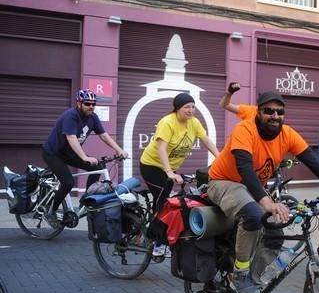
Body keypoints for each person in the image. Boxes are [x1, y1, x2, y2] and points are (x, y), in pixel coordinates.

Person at [207, 91, 319, 293]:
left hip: (251, 186)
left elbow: (313, 162)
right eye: (268, 111)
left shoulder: (287, 134)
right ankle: (240, 274)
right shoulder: (244, 129)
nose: (275, 116)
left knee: (276, 232)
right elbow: (245, 168)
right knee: (254, 214)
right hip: (224, 181)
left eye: (280, 112)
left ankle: (254, 283)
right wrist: (266, 201)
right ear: (258, 112)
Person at [139, 93, 220, 257]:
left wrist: (221, 159)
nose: (191, 110)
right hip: (152, 165)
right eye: (187, 107)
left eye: (193, 107)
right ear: (177, 108)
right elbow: (161, 148)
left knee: (169, 201)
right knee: (162, 199)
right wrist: (168, 172)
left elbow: (207, 141)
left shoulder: (194, 123)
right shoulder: (167, 122)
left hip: (171, 169)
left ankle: (156, 231)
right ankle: (156, 241)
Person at [42, 90, 129, 227]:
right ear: (79, 103)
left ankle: (86, 200)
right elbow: (71, 138)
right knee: (68, 182)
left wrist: (120, 150)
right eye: (87, 103)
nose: (91, 106)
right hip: (54, 154)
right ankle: (51, 211)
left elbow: (104, 135)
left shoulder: (92, 117)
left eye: (93, 104)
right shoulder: (70, 116)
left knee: (98, 167)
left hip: (71, 154)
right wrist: (84, 157)